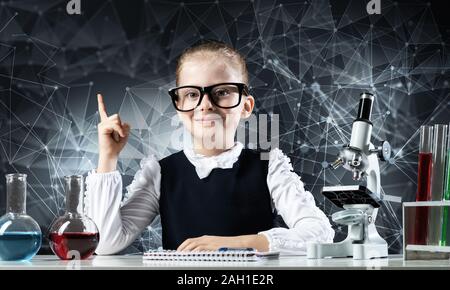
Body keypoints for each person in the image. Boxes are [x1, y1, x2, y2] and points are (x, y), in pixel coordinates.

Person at [85, 40, 334, 255]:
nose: (205, 105)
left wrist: (233, 244)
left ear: (246, 106)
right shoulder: (160, 173)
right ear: (178, 105)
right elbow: (105, 243)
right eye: (192, 94)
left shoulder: (269, 166)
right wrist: (108, 158)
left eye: (222, 91)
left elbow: (319, 233)